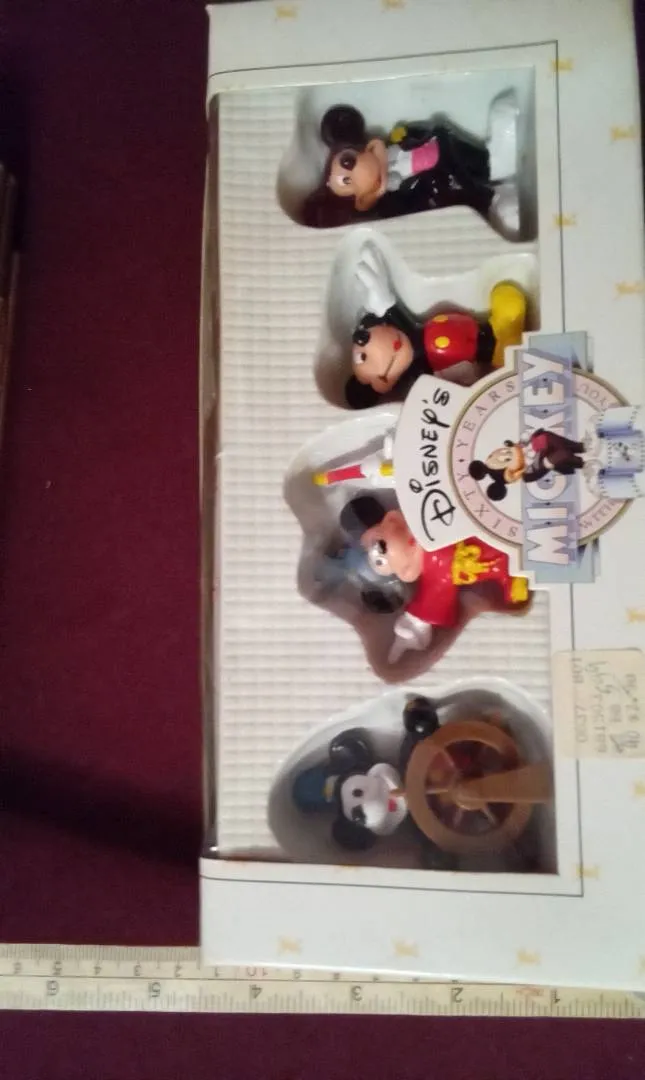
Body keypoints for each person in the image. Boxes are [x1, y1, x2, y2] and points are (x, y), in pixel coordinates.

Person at [304, 94, 519, 233]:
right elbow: (414, 209)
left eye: (347, 160)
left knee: (474, 158)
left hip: (448, 148)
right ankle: (493, 199)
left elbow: (418, 133)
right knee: (466, 190)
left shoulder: (393, 145)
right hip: (448, 184)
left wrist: (411, 135)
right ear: (360, 200)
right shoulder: (390, 201)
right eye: (348, 180)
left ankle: (496, 161)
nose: (352, 166)